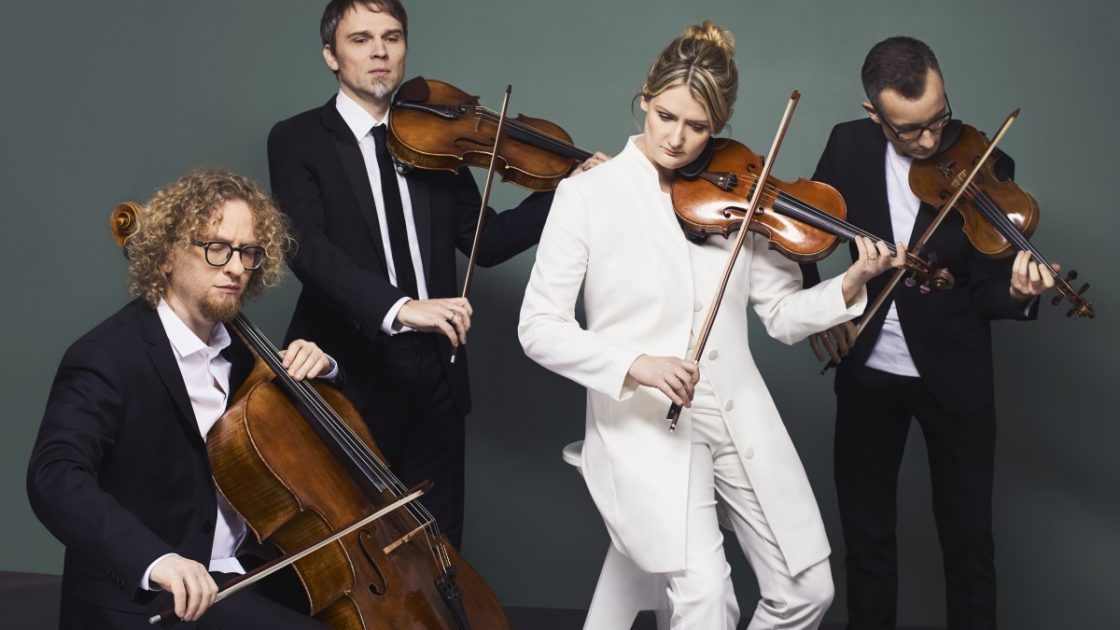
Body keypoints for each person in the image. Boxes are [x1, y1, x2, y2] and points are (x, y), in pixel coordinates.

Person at [518, 22, 903, 630]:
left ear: (719, 125)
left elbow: (780, 315)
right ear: (645, 98)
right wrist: (636, 364)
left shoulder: (739, 195)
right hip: (643, 424)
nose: (675, 138)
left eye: (696, 127)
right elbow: (538, 326)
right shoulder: (588, 196)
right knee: (706, 603)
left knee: (809, 591)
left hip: (736, 413)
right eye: (665, 116)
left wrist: (849, 285)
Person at [267, 0, 606, 549]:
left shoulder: (434, 138)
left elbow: (487, 242)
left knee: (441, 548)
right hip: (348, 374)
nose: (380, 51)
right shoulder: (297, 138)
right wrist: (401, 308)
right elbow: (307, 249)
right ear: (331, 55)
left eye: (392, 37)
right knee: (355, 549)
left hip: (438, 376)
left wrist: (569, 191)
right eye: (360, 39)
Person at [801, 36, 1057, 630]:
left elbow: (985, 289)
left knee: (968, 541)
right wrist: (820, 309)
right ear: (874, 114)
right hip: (868, 369)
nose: (928, 140)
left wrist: (1019, 293)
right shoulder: (846, 145)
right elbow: (807, 231)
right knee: (867, 538)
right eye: (908, 130)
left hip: (954, 374)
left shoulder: (986, 160)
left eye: (938, 119)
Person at [26, 170, 335, 629]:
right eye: (217, 247)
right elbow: (54, 476)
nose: (236, 267)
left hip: (245, 574)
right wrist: (157, 560)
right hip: (156, 598)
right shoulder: (107, 356)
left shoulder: (247, 356)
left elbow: (315, 441)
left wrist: (325, 369)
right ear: (168, 255)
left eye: (248, 252)